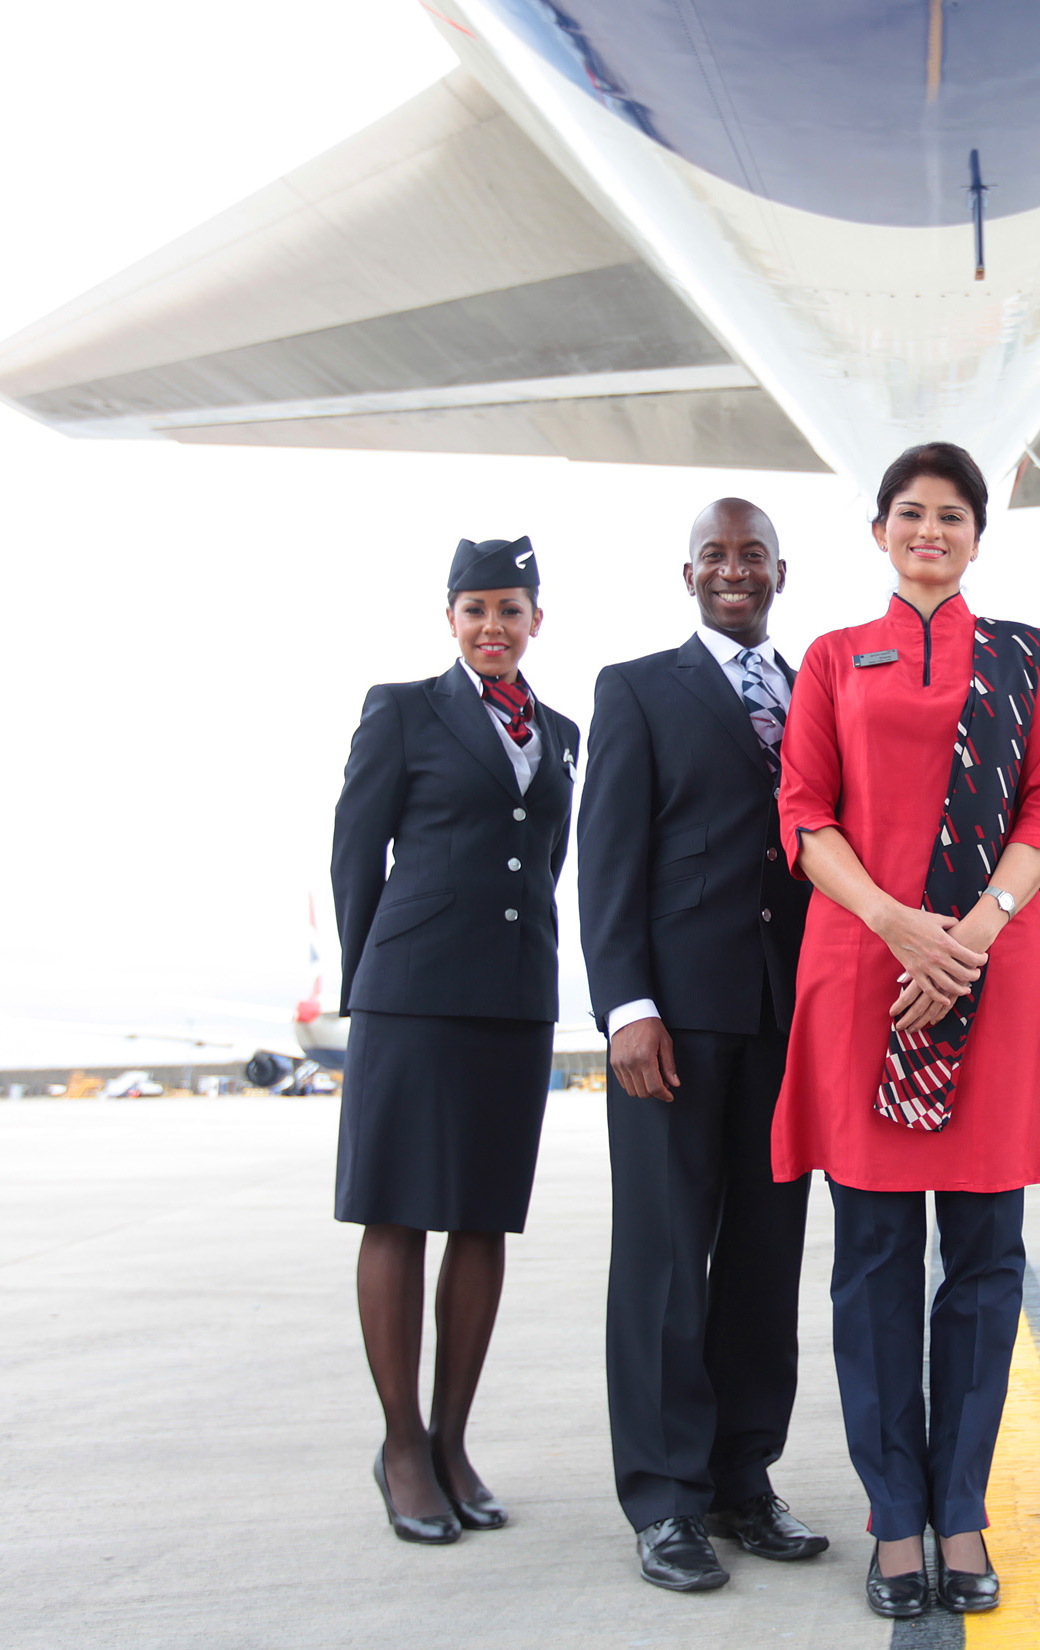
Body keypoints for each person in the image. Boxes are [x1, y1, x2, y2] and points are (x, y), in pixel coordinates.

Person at [769, 442, 1040, 1619]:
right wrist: (900, 924)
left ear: (978, 536)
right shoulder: (833, 658)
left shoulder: (1023, 658)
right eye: (910, 512)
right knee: (875, 1264)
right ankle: (895, 1516)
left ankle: (961, 1511)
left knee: (987, 1264)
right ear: (880, 530)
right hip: (866, 975)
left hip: (991, 979)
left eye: (951, 514)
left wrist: (976, 932)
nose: (929, 530)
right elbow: (804, 814)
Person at [577, 498, 826, 1593]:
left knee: (766, 1260)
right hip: (672, 1023)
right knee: (667, 1260)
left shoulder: (814, 691)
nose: (734, 570)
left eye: (752, 555)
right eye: (715, 557)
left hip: (786, 1017)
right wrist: (625, 1006)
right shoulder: (637, 689)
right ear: (688, 576)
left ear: (779, 572)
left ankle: (741, 1478)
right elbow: (606, 859)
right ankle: (665, 1498)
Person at [329, 535, 578, 1544]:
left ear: (535, 621)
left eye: (509, 609)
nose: (492, 626)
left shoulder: (560, 730)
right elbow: (356, 853)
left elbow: (546, 858)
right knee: (396, 1214)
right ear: (450, 619)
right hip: (412, 994)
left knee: (482, 1221)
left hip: (512, 998)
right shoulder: (401, 709)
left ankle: (451, 1442)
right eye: (474, 609)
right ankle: (400, 1445)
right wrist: (371, 980)